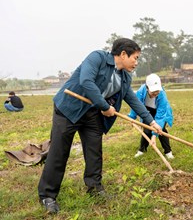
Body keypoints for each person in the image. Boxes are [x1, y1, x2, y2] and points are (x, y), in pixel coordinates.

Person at [37, 38, 162, 214]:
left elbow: (132, 99)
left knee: (94, 151)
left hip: (92, 113)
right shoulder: (97, 58)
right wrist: (105, 106)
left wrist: (151, 122)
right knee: (59, 152)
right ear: (123, 54)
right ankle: (47, 195)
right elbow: (86, 81)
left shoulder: (125, 76)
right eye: (135, 57)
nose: (136, 62)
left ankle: (94, 188)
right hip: (69, 108)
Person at [128, 73, 174, 159]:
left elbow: (160, 116)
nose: (156, 93)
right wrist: (132, 118)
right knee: (146, 131)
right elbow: (136, 105)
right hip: (147, 111)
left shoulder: (162, 95)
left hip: (161, 112)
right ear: (147, 87)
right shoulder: (141, 91)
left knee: (161, 130)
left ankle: (168, 152)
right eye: (153, 91)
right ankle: (142, 150)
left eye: (157, 91)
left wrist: (154, 136)